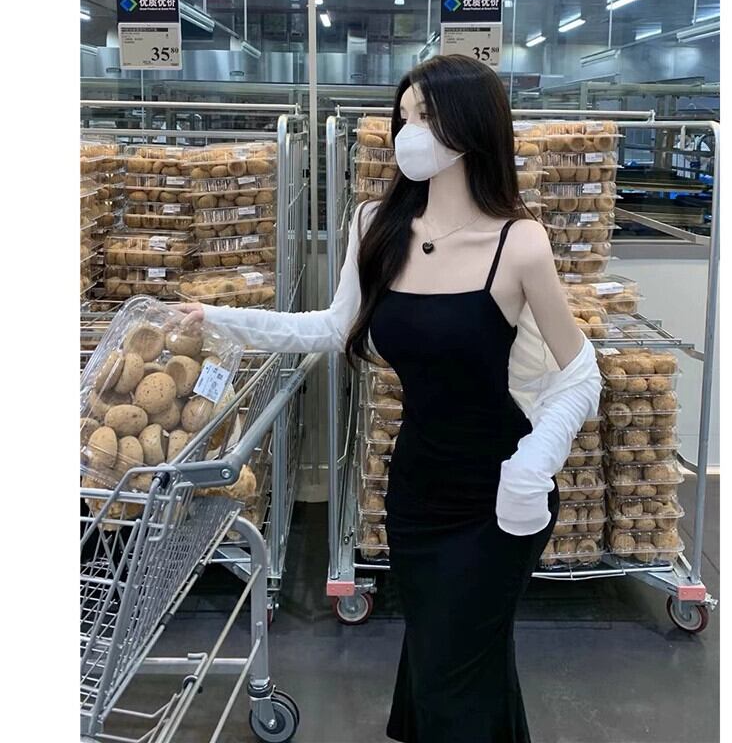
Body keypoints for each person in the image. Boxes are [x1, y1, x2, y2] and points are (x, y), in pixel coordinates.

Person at [177, 54, 601, 743]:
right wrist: (222, 320)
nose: (409, 132)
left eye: (425, 116)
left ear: (471, 125)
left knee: (454, 664)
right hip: (417, 490)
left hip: (500, 495)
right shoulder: (375, 225)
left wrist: (535, 463)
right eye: (403, 117)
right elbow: (330, 328)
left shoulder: (518, 243)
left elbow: (580, 371)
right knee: (451, 653)